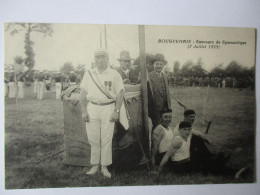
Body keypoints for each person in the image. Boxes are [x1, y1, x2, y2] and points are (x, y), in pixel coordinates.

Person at [79, 48, 126, 179]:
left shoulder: (115, 74)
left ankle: (104, 166)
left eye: (102, 57)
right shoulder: (88, 74)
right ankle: (94, 165)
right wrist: (83, 111)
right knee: (93, 138)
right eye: (97, 57)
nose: (99, 59)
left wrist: (116, 111)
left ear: (107, 59)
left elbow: (120, 93)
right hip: (92, 107)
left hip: (108, 107)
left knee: (106, 138)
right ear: (94, 59)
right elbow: (82, 93)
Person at [148, 53, 171, 129]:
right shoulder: (149, 76)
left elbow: (167, 92)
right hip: (154, 108)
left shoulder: (165, 76)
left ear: (163, 66)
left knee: (165, 126)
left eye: (161, 64)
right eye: (156, 64)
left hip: (165, 107)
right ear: (153, 65)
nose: (159, 66)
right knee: (156, 127)